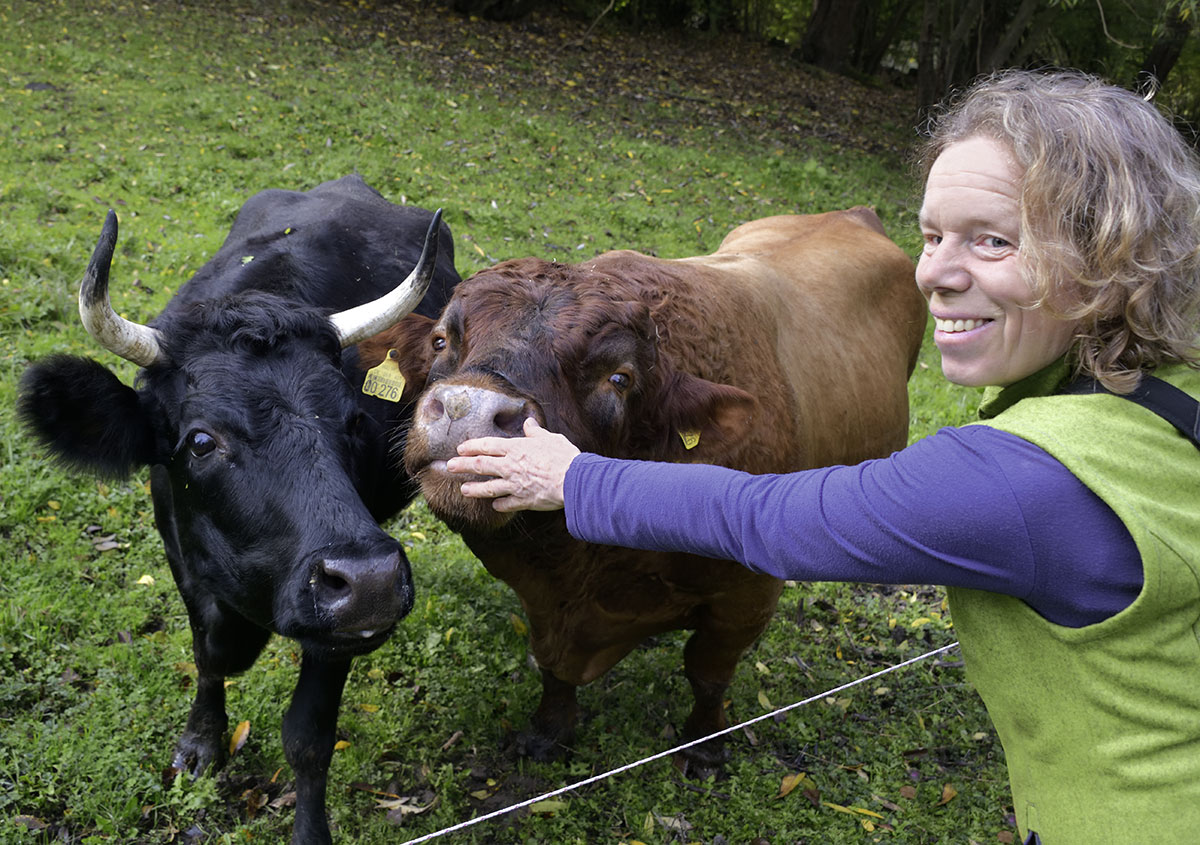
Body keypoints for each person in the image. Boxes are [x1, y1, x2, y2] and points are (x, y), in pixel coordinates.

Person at [445, 69, 1200, 845]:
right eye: (932, 234)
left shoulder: (1026, 480)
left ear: (1112, 254)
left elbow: (767, 516)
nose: (932, 274)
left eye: (993, 240)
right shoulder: (1172, 399)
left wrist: (570, 476)